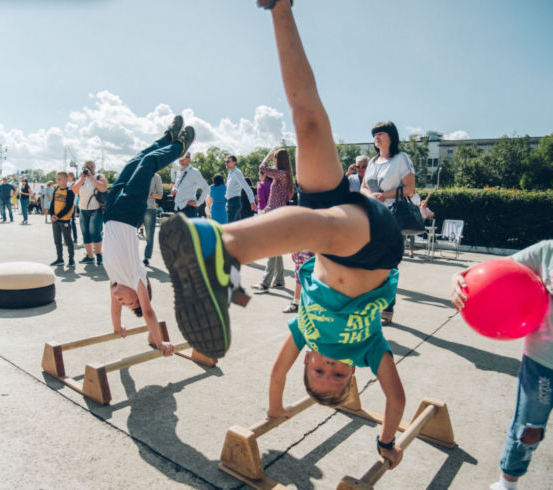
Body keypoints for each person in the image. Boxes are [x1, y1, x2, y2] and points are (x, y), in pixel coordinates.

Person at [160, 0, 406, 469]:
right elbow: (395, 399)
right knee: (326, 231)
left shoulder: (306, 331)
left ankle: (278, 8)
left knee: (307, 121)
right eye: (337, 373)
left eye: (319, 370)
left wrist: (274, 408)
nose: (329, 363)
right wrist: (386, 442)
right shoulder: (370, 348)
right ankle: (222, 246)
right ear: (353, 372)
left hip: (331, 233)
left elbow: (277, 371)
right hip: (374, 247)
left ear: (309, 359)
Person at [451, 240, 552, 490]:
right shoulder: (547, 251)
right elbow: (494, 269)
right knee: (529, 430)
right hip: (542, 362)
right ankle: (507, 483)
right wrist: (458, 277)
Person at [102, 115, 194, 355]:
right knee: (149, 163)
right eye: (131, 302)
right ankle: (179, 146)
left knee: (135, 161)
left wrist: (117, 326)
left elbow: (115, 309)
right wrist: (160, 341)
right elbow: (149, 313)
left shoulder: (114, 281)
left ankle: (167, 137)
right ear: (139, 295)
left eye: (124, 303)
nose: (121, 301)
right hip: (128, 213)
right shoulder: (136, 278)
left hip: (110, 210)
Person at [361, 121, 415, 326]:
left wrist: (385, 195)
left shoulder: (401, 159)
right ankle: (373, 304)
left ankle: (387, 307)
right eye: (374, 134)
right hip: (374, 215)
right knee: (371, 262)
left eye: (380, 133)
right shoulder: (373, 162)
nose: (376, 137)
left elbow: (409, 188)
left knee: (389, 263)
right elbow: (363, 187)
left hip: (393, 216)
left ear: (391, 136)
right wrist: (371, 196)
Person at [251, 149, 294, 292]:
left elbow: (262, 169)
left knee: (271, 248)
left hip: (276, 215)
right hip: (274, 212)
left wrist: (266, 157)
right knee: (276, 249)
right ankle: (280, 280)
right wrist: (267, 208)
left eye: (275, 159)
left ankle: (265, 283)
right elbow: (274, 197)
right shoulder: (282, 175)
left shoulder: (282, 174)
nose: (273, 161)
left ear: (279, 160)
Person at [72, 160, 108, 265]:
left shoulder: (98, 177)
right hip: (83, 210)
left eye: (92, 167)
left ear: (94, 168)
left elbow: (103, 188)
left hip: (96, 209)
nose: (89, 169)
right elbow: (74, 190)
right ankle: (90, 256)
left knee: (95, 232)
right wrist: (82, 178)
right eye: (87, 167)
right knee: (86, 233)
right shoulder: (81, 179)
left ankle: (99, 255)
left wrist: (92, 178)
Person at [49, 172, 76, 267]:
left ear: (66, 180)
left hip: (64, 220)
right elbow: (52, 203)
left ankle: (71, 259)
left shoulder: (70, 191)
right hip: (55, 220)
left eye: (59, 179)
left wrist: (58, 215)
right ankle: (59, 258)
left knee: (68, 240)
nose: (57, 181)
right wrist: (52, 214)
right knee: (57, 240)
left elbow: (68, 207)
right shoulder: (56, 190)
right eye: (57, 179)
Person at [171, 152, 209, 219]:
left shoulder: (194, 172)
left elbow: (206, 188)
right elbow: (176, 185)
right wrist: (173, 189)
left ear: (189, 159)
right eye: (180, 158)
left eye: (184, 158)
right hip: (177, 208)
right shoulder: (178, 172)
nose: (181, 160)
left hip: (189, 209)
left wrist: (198, 203)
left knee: (190, 230)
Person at [225, 155, 257, 222]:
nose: (226, 163)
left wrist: (252, 201)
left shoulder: (236, 172)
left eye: (228, 161)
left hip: (234, 202)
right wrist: (227, 203)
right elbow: (230, 191)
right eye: (225, 161)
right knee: (235, 226)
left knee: (231, 226)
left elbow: (246, 187)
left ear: (234, 162)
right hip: (232, 202)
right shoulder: (230, 173)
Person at [143, 172, 164, 266]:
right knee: (130, 232)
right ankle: (131, 256)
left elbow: (160, 195)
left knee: (149, 236)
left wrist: (149, 194)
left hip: (149, 209)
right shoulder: (140, 173)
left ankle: (146, 257)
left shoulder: (156, 177)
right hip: (136, 207)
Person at [67, 172, 79, 244]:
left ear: (72, 177)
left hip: (72, 204)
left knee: (72, 222)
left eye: (69, 176)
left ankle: (75, 238)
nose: (68, 178)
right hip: (65, 204)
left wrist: (74, 204)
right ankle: (67, 237)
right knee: (66, 222)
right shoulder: (66, 184)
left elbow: (76, 195)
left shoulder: (75, 184)